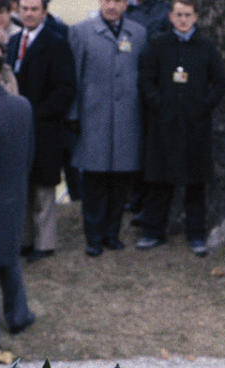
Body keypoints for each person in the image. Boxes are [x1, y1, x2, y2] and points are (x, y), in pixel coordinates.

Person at [135, 0, 225, 257]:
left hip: (195, 127)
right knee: (159, 182)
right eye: (179, 15)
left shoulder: (206, 47)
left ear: (196, 17)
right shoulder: (158, 44)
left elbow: (221, 82)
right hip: (163, 125)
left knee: (195, 183)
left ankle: (196, 234)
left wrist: (203, 105)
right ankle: (152, 231)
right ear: (171, 17)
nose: (183, 19)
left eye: (188, 15)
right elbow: (145, 81)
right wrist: (159, 105)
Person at [69, 0, 147, 257]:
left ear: (126, 4)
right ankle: (93, 236)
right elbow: (75, 77)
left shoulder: (138, 33)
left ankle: (112, 233)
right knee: (94, 181)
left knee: (120, 181)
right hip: (94, 119)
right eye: (106, 0)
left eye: (117, 1)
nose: (111, 5)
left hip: (127, 120)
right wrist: (75, 116)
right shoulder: (81, 32)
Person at [5, 0, 74, 263]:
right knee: (22, 183)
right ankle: (24, 239)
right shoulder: (13, 43)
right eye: (25, 9)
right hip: (17, 127)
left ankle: (44, 243)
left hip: (44, 125)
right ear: (18, 11)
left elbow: (66, 88)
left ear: (44, 12)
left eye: (35, 9)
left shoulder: (56, 43)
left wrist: (39, 113)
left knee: (43, 187)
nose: (29, 14)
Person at [0, 46, 35, 355]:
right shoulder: (22, 105)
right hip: (14, 195)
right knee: (8, 258)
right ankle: (19, 316)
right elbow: (28, 151)